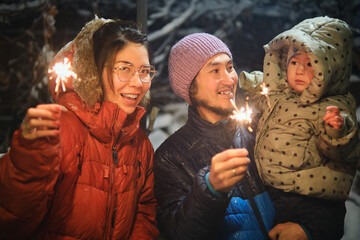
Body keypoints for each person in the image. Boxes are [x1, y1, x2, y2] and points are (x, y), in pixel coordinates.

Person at [0, 17, 159, 239]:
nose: (138, 82)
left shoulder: (140, 143)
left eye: (144, 71)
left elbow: (144, 213)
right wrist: (25, 162)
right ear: (93, 73)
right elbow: (11, 220)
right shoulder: (59, 128)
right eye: (124, 68)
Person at [239, 16, 360, 240]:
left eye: (310, 64)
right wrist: (253, 84)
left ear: (331, 68)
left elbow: (346, 152)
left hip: (310, 199)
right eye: (294, 62)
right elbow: (268, 88)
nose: (300, 70)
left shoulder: (334, 106)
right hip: (273, 193)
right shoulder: (283, 93)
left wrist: (338, 130)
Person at [154, 33, 275, 240]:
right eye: (215, 70)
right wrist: (210, 190)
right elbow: (179, 233)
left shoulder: (263, 127)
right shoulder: (171, 157)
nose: (229, 79)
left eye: (229, 67)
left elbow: (316, 191)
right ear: (191, 87)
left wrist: (307, 226)